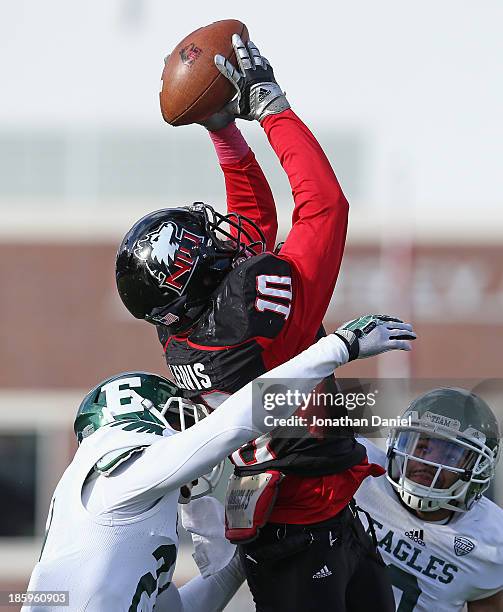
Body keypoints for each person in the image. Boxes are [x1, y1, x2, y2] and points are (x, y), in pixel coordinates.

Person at [116, 33, 416, 611]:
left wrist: (223, 129)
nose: (218, 238)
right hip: (301, 534)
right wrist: (269, 106)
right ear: (195, 281)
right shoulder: (255, 314)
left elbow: (252, 219)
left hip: (313, 510)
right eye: (201, 247)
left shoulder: (187, 326)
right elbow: (324, 206)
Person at [23, 316, 411, 612]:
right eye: (180, 420)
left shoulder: (126, 514)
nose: (191, 429)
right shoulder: (119, 477)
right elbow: (233, 423)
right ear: (141, 418)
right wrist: (337, 348)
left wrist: (243, 558)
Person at [355, 387, 503, 612]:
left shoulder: (492, 542)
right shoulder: (357, 474)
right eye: (421, 446)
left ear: (478, 470)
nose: (427, 462)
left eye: (449, 454)